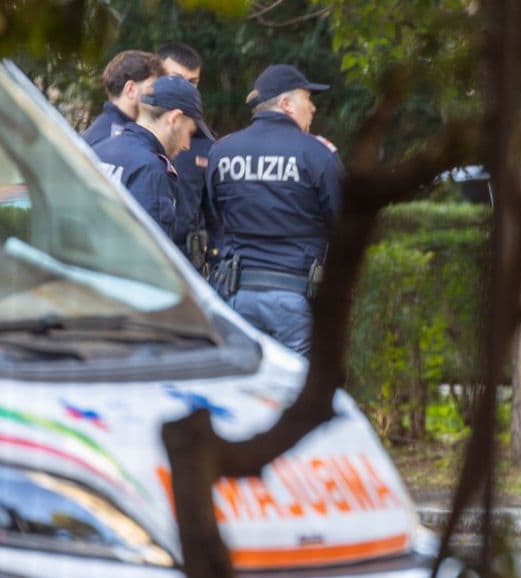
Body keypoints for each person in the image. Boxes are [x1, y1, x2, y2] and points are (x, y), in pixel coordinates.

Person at [207, 64, 343, 355]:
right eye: (308, 99)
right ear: (286, 104)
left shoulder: (222, 151)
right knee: (296, 392)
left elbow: (211, 217)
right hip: (294, 299)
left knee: (243, 387)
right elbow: (343, 225)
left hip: (235, 294)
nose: (313, 108)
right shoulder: (317, 154)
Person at [94, 75, 214, 238]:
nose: (186, 144)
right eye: (189, 132)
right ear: (175, 119)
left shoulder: (99, 151)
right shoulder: (151, 170)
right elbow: (148, 256)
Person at [158, 43, 213, 270]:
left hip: (186, 265)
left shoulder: (205, 143)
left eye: (193, 83)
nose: (186, 89)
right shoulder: (126, 134)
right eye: (176, 79)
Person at [82, 50, 164, 148]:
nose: (157, 95)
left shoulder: (104, 130)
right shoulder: (119, 139)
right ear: (131, 90)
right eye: (152, 88)